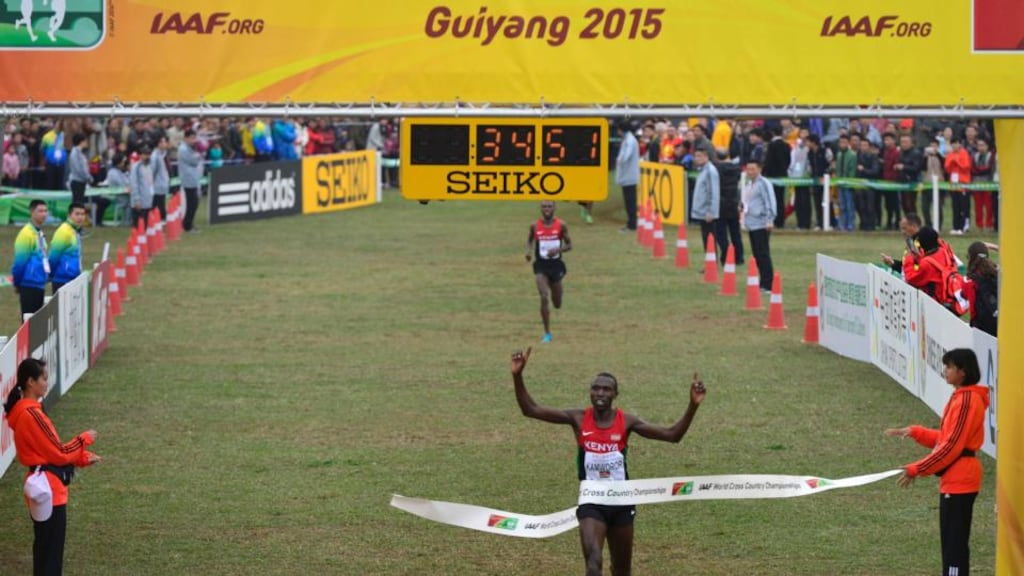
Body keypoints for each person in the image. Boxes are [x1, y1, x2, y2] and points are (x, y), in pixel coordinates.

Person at [509, 347, 706, 576]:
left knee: (622, 570)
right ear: (590, 393)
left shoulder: (626, 421)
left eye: (606, 389)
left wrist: (693, 405)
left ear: (615, 395)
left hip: (621, 501)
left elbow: (672, 435)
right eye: (595, 388)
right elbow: (530, 409)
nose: (600, 393)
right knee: (593, 562)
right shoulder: (578, 418)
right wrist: (517, 375)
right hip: (591, 501)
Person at [885, 348, 987, 576]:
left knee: (954, 547)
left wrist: (917, 469)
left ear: (962, 372)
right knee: (952, 545)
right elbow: (946, 439)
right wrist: (916, 431)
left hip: (961, 481)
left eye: (949, 367)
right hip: (955, 480)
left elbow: (952, 447)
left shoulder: (968, 401)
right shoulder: (962, 398)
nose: (945, 371)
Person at [4, 357, 100, 576]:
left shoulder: (23, 413)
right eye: (44, 379)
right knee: (50, 555)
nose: (47, 383)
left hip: (40, 485)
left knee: (45, 549)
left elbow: (49, 452)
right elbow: (59, 453)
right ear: (30, 382)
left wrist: (82, 458)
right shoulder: (32, 415)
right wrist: (83, 439)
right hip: (49, 489)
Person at [525, 201, 572, 343]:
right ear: (541, 209)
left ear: (554, 208)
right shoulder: (534, 226)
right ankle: (547, 333)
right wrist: (528, 252)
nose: (547, 209)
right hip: (541, 266)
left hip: (556, 266)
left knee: (557, 303)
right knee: (544, 296)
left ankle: (557, 296)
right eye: (544, 207)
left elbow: (569, 245)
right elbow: (530, 240)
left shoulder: (561, 225)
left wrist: (558, 250)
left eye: (549, 206)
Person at [12, 199, 51, 318]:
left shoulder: (39, 233)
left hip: (39, 283)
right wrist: (17, 283)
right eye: (40, 211)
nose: (44, 214)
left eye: (45, 211)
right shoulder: (26, 234)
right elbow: (19, 263)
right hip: (29, 284)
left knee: (36, 322)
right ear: (32, 212)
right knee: (28, 322)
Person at [744, 161, 777, 293]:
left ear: (759, 169)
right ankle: (763, 280)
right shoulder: (749, 184)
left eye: (753, 169)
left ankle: (768, 284)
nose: (750, 172)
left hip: (761, 223)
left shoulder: (764, 183)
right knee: (757, 254)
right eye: (748, 169)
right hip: (751, 223)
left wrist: (769, 220)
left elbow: (770, 201)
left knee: (763, 254)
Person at [690, 148, 720, 262]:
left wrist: (711, 211)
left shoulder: (710, 171)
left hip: (708, 212)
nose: (697, 159)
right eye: (696, 156)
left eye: (700, 156)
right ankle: (709, 260)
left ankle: (712, 261)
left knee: (709, 237)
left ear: (706, 157)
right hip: (702, 211)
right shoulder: (702, 170)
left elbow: (714, 192)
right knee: (705, 237)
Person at [48, 202, 85, 294]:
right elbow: (53, 256)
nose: (80, 217)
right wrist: (51, 275)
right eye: (77, 214)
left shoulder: (74, 231)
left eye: (82, 214)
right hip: (62, 280)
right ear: (69, 215)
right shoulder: (63, 232)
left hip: (73, 278)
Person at [715, 152, 744, 265]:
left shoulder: (716, 169)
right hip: (733, 202)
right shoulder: (736, 169)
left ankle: (726, 255)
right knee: (735, 233)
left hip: (720, 203)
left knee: (721, 233)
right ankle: (739, 256)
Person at [963, 242, 998, 337]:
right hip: (1000, 326)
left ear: (970, 258)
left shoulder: (969, 281)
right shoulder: (998, 273)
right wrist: (995, 247)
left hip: (981, 330)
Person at [763, 125, 791, 229]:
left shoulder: (772, 145)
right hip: (783, 175)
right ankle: (781, 220)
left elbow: (768, 161)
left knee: (772, 199)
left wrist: (765, 172)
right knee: (780, 198)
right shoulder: (786, 145)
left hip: (772, 176)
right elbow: (788, 160)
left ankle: (773, 219)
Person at [944, 138, 973, 236]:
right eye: (953, 144)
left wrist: (957, 161)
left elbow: (966, 167)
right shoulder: (950, 154)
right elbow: (947, 168)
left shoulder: (964, 153)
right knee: (955, 206)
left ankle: (963, 227)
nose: (955, 146)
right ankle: (955, 227)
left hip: (963, 184)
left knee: (964, 206)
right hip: (954, 184)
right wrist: (952, 162)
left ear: (960, 144)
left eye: (956, 143)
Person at [177, 129, 204, 233]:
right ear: (186, 138)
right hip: (188, 178)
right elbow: (194, 161)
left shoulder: (189, 148)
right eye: (192, 138)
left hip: (193, 178)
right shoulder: (183, 149)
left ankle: (189, 223)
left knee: (194, 202)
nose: (194, 140)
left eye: (194, 138)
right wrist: (199, 153)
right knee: (192, 202)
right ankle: (187, 225)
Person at [615, 122, 640, 232]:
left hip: (629, 176)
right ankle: (631, 222)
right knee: (629, 201)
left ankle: (632, 224)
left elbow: (626, 155)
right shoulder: (628, 139)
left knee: (630, 201)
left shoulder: (630, 140)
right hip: (627, 175)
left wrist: (621, 160)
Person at [128, 146, 155, 230]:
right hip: (139, 203)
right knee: (138, 227)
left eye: (149, 154)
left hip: (148, 201)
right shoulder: (136, 167)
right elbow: (134, 184)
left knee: (146, 226)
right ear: (140, 155)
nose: (147, 156)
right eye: (145, 154)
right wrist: (137, 200)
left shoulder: (149, 166)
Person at [151, 136, 170, 221]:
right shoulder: (155, 156)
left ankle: (159, 219)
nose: (164, 144)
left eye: (165, 142)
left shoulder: (164, 154)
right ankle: (161, 219)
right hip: (157, 184)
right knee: (158, 204)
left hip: (163, 183)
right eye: (162, 142)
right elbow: (152, 171)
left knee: (159, 203)